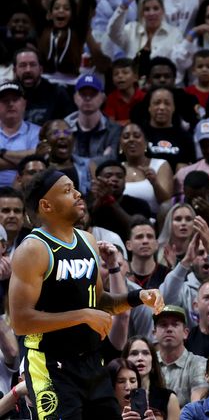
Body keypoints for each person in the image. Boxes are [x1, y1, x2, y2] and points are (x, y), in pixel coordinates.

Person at [9, 168, 164, 418]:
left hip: (92, 362)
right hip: (50, 365)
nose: (78, 194)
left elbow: (100, 302)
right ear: (46, 205)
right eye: (68, 190)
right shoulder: (33, 249)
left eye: (75, 188)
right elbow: (20, 321)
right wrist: (83, 315)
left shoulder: (88, 241)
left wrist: (138, 298)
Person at [154, 305, 208, 407]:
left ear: (185, 333)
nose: (169, 329)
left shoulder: (200, 364)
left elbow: (196, 406)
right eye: (163, 324)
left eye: (175, 324)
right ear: (154, 333)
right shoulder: (147, 363)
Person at [120, 122, 174, 215]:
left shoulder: (160, 164)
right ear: (120, 145)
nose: (131, 140)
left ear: (146, 143)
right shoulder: (117, 169)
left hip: (153, 221)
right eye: (126, 137)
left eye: (137, 136)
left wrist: (155, 183)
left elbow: (167, 203)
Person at [65, 73, 122, 159]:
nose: (88, 98)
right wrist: (101, 159)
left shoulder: (114, 130)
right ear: (75, 97)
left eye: (93, 94)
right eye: (83, 94)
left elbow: (111, 163)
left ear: (103, 98)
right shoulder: (64, 127)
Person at [123, 336, 181, 420]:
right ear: (125, 360)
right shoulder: (117, 396)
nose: (140, 358)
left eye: (146, 353)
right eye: (134, 353)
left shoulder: (169, 398)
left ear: (153, 361)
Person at [14, 48, 74, 125]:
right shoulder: (6, 94)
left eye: (33, 65)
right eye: (23, 65)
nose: (28, 70)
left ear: (41, 69)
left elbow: (68, 128)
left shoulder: (57, 93)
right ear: (14, 71)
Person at [0, 81, 41, 187]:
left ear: (24, 103)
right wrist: (23, 162)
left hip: (26, 192)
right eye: (5, 101)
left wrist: (2, 153)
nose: (10, 104)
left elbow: (38, 162)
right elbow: (31, 162)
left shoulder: (38, 132)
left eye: (15, 99)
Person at [127, 216, 170, 290]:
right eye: (139, 237)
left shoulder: (168, 275)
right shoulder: (121, 273)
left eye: (150, 237)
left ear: (156, 244)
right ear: (128, 245)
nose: (145, 241)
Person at [104, 59, 146, 125]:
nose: (120, 76)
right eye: (116, 74)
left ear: (135, 77)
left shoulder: (144, 97)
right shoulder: (111, 98)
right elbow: (110, 125)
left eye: (125, 72)